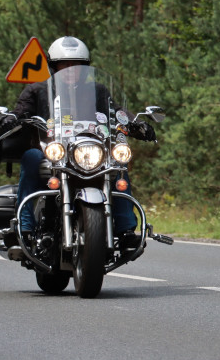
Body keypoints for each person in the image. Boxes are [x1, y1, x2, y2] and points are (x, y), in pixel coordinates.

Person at [10, 36, 155, 250]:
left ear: (84, 68)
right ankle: (24, 228)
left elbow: (118, 112)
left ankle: (125, 230)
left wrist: (138, 123)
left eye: (76, 66)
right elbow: (20, 112)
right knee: (31, 157)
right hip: (52, 152)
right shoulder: (38, 90)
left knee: (118, 162)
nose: (70, 70)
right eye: (64, 65)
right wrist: (11, 119)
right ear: (54, 66)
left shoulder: (98, 91)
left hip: (89, 151)